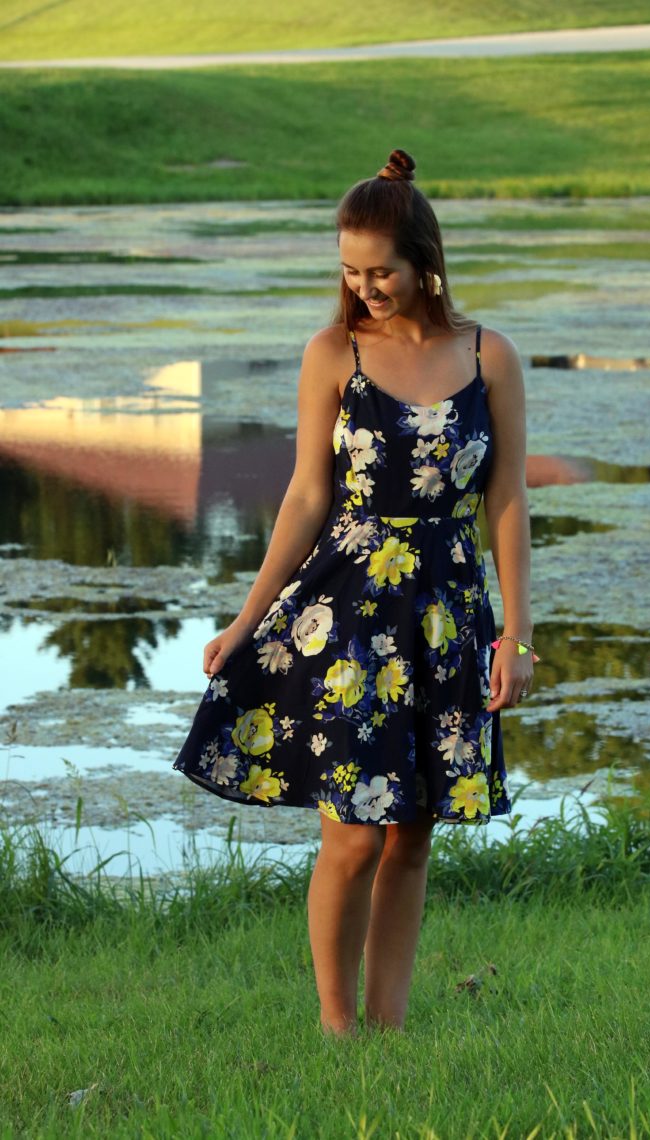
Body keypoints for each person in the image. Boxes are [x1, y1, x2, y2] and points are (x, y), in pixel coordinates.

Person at [173, 148, 535, 1036]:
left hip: (449, 613)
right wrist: (246, 618)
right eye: (350, 271)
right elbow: (305, 497)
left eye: (382, 272)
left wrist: (517, 635)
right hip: (346, 613)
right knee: (355, 830)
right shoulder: (333, 353)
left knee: (414, 832)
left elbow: (510, 500)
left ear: (426, 262)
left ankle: (390, 1027)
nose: (365, 287)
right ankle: (339, 1029)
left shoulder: (490, 356)